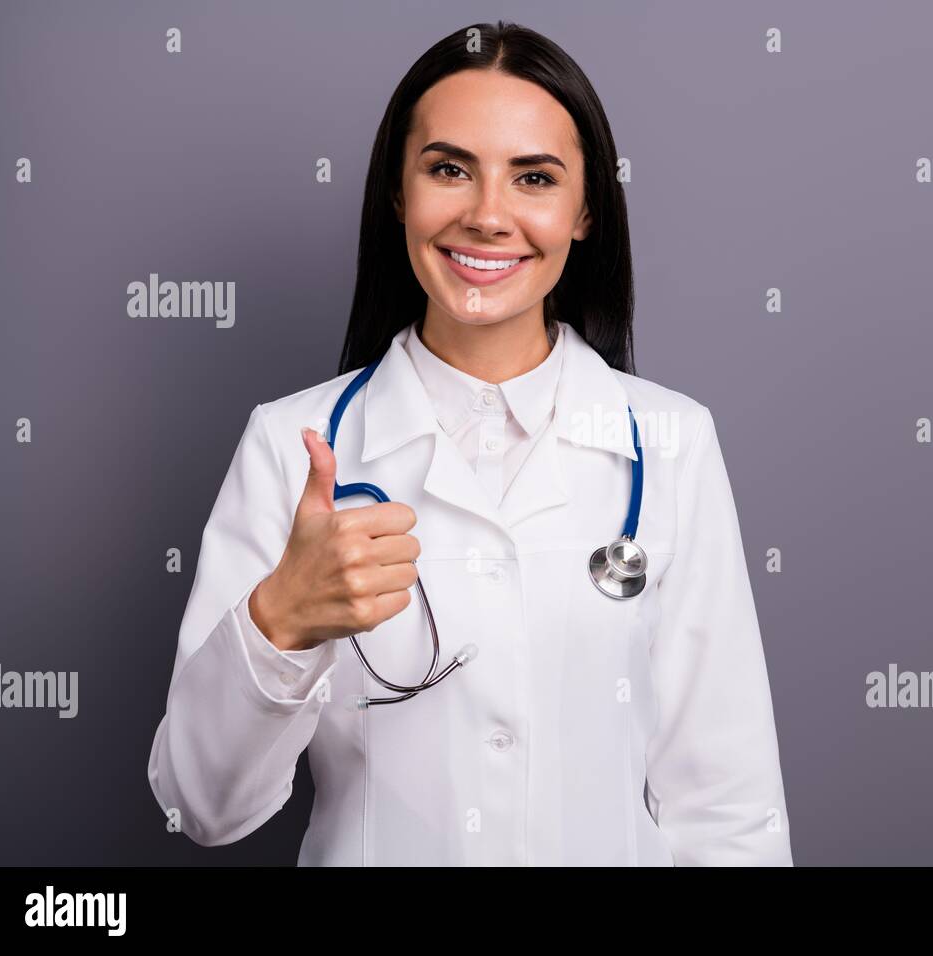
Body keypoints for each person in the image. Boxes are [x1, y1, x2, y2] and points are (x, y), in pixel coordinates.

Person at [146, 20, 792, 866]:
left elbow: (729, 806)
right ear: (397, 194)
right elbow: (202, 806)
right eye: (449, 169)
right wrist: (283, 620)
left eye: (534, 178)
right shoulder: (289, 445)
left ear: (585, 210)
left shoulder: (671, 443)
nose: (489, 216)